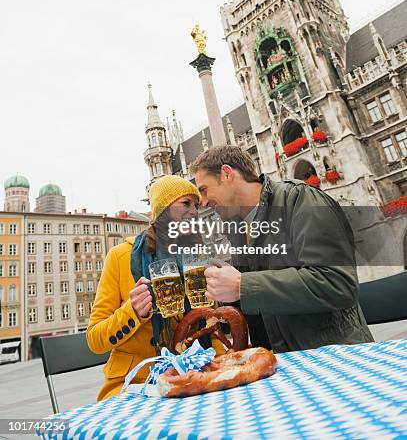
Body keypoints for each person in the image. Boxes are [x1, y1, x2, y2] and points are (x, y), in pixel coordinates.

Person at [190, 145, 373, 353]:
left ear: (227, 173)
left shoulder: (300, 199)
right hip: (280, 366)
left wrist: (242, 284)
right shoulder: (239, 230)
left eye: (204, 190)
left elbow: (337, 283)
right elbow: (263, 302)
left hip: (334, 358)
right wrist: (222, 291)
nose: (203, 202)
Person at [87, 175, 210, 401]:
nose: (194, 211)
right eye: (185, 203)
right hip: (135, 383)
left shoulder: (197, 258)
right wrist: (132, 312)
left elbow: (210, 325)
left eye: (196, 205)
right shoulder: (120, 257)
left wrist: (222, 365)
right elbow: (95, 339)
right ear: (162, 210)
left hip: (191, 377)